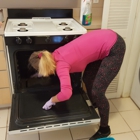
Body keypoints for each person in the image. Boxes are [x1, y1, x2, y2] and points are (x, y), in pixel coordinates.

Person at [28, 29, 126, 139]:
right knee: (87, 78)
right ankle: (95, 103)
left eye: (41, 71)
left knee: (97, 91)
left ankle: (104, 129)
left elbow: (66, 93)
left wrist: (52, 100)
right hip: (105, 38)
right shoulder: (55, 54)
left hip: (114, 46)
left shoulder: (61, 65)